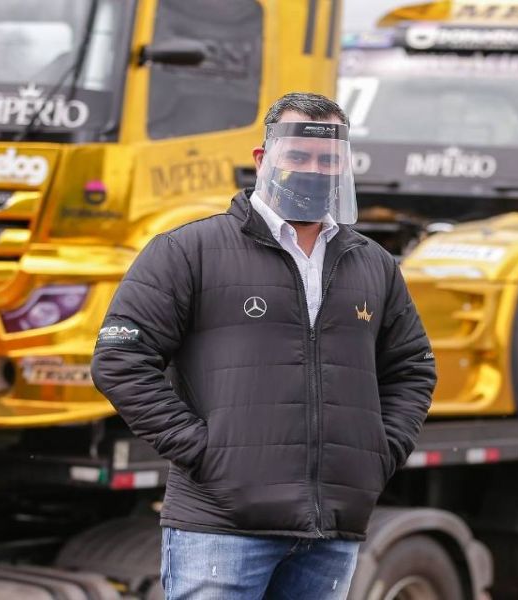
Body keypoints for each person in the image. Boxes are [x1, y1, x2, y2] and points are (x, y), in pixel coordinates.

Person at [91, 92, 436, 600]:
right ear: (263, 158)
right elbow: (120, 359)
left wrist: (377, 453)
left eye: (328, 159)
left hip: (331, 532)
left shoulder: (374, 265)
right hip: (220, 527)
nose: (314, 169)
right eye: (298, 155)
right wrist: (205, 453)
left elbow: (412, 368)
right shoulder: (189, 251)